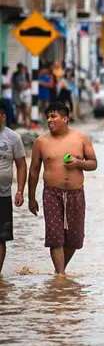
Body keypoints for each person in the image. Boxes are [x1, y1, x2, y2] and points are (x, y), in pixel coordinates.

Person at [27, 102, 98, 275]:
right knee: (54, 236)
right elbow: (34, 171)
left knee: (74, 239)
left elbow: (93, 163)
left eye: (54, 116)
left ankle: (60, 271)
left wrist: (78, 163)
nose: (49, 120)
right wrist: (31, 197)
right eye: (48, 117)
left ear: (65, 118)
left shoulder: (81, 138)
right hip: (52, 192)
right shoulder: (41, 142)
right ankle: (60, 276)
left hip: (76, 192)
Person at [0, 100, 26, 275]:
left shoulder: (13, 138)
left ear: (2, 117)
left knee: (1, 238)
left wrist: (20, 191)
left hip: (3, 196)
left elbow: (22, 165)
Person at [12, 63, 30, 127]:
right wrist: (19, 87)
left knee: (25, 107)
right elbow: (13, 83)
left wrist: (25, 87)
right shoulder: (15, 74)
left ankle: (25, 121)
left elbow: (29, 83)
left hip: (25, 93)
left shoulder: (26, 74)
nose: (21, 69)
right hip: (17, 92)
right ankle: (17, 122)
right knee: (18, 107)